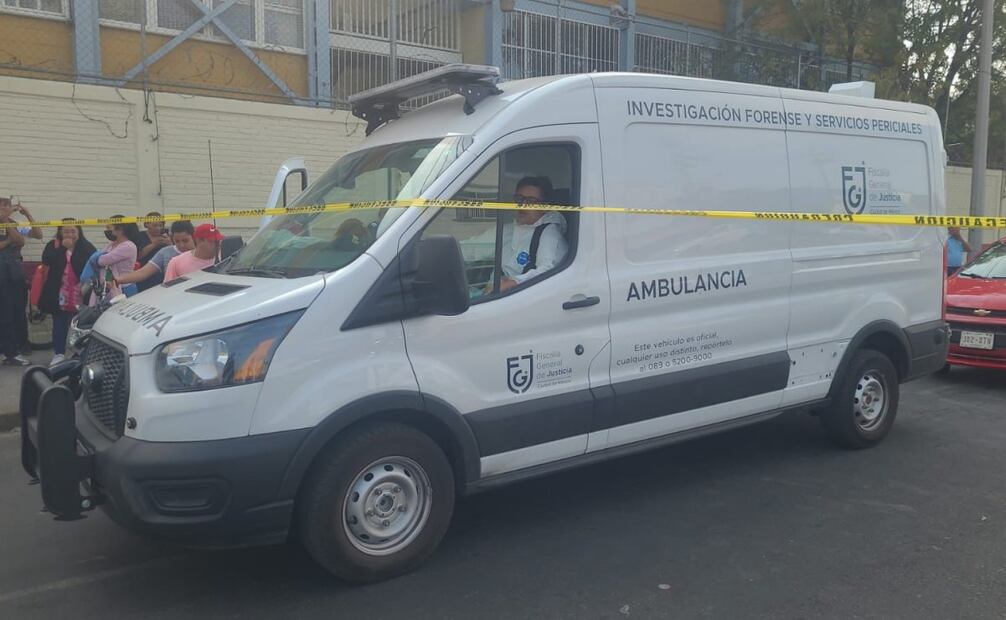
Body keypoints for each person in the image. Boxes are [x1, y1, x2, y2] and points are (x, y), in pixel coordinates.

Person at [492, 176, 569, 293]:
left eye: (531, 201)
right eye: (519, 199)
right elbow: (473, 248)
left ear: (544, 207)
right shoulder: (508, 229)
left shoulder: (549, 232)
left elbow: (546, 271)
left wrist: (511, 283)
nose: (523, 205)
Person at [39, 220, 97, 365]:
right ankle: (59, 353)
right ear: (60, 232)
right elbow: (46, 260)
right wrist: (63, 249)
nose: (69, 234)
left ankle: (78, 353)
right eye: (66, 231)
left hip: (80, 292)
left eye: (73, 231)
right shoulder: (53, 245)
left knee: (79, 323)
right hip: (59, 292)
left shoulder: (86, 247)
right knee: (59, 322)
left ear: (79, 232)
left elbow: (93, 264)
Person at [115, 220, 195, 290]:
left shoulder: (200, 252)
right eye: (177, 241)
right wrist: (117, 280)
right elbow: (143, 272)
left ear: (193, 237)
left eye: (185, 241)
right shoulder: (166, 252)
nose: (181, 245)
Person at [0, 201, 32, 365]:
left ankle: (16, 348)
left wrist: (6, 223)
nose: (3, 208)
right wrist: (8, 241)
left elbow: (20, 241)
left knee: (17, 312)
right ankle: (9, 352)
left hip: (15, 274)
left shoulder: (13, 223)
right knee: (4, 313)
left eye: (6, 205)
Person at [86, 216, 139, 303]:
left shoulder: (128, 246)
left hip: (125, 287)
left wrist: (96, 258)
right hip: (110, 287)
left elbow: (102, 261)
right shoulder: (112, 244)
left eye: (109, 228)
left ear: (120, 230)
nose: (107, 231)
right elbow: (99, 258)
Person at [135, 212, 171, 277]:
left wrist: (170, 244)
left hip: (162, 272)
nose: (158, 228)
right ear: (147, 224)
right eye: (155, 225)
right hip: (144, 273)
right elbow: (138, 256)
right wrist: (153, 244)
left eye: (160, 226)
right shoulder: (139, 236)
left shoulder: (165, 237)